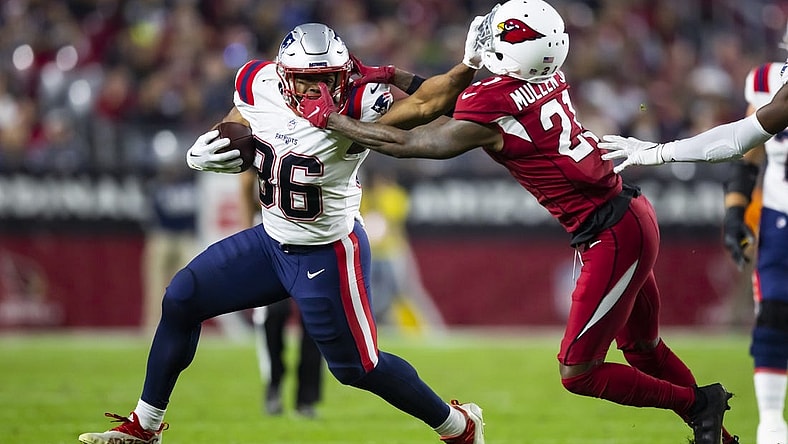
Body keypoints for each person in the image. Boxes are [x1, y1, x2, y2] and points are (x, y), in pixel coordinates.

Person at [298, 2, 737, 443]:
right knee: (644, 350)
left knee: (578, 371)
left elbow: (412, 140)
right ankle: (718, 433)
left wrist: (332, 120)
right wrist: (397, 76)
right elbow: (453, 104)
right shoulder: (545, 75)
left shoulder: (494, 103)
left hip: (611, 232)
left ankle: (699, 404)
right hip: (626, 214)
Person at [77, 20, 488, 444]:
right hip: (271, 241)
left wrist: (467, 65)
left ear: (343, 74)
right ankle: (144, 427)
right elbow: (242, 116)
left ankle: (458, 426)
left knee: (357, 369)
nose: (317, 91)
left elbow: (428, 104)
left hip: (327, 251)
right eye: (306, 81)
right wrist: (218, 143)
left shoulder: (361, 101)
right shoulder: (259, 81)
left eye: (326, 80)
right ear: (284, 76)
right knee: (181, 297)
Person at [600, 31, 788, 444]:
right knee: (774, 314)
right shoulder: (769, 82)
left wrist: (658, 151)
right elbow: (744, 140)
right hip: (781, 214)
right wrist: (660, 153)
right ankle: (773, 426)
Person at [240, 169, 324, 418]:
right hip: (272, 235)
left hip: (312, 235)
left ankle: (306, 399)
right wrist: (248, 234)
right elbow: (246, 182)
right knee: (274, 312)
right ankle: (274, 385)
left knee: (316, 318)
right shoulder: (268, 134)